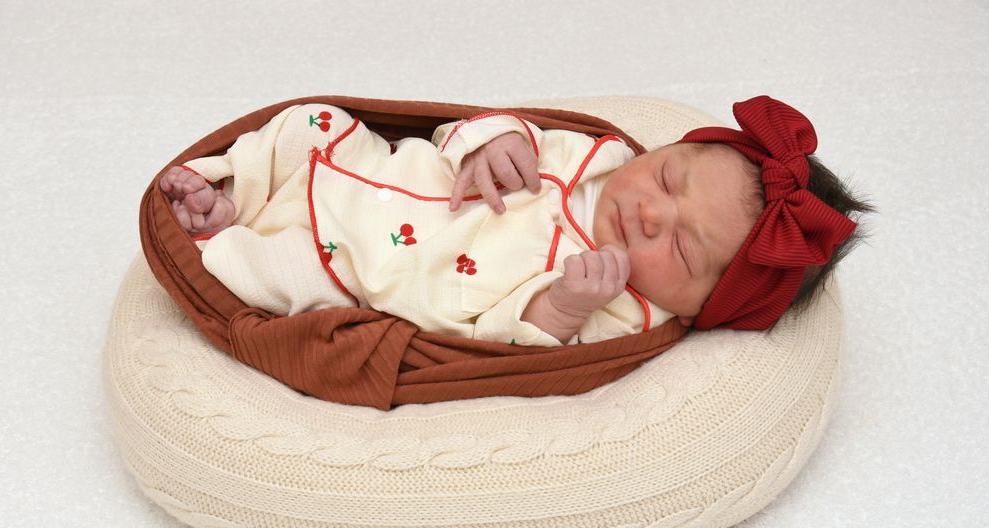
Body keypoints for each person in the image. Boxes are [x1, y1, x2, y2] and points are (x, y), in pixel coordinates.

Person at [161, 96, 872, 345]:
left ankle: (215, 232)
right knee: (313, 124)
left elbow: (528, 346)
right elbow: (489, 130)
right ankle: (237, 184)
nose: (649, 212)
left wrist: (564, 305)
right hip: (386, 175)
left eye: (682, 249)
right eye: (666, 178)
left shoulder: (626, 309)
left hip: (371, 270)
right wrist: (494, 140)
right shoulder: (600, 155)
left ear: (701, 305)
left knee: (286, 279)